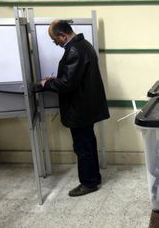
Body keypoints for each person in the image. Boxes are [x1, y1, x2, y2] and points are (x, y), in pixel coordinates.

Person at [40, 20, 110, 197]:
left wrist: (47, 84)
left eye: (56, 41)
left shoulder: (74, 50)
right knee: (88, 143)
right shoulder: (84, 45)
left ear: (62, 35)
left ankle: (88, 183)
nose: (57, 44)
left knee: (82, 146)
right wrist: (55, 81)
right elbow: (74, 78)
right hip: (86, 106)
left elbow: (67, 83)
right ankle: (94, 177)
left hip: (79, 108)